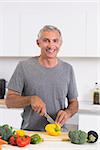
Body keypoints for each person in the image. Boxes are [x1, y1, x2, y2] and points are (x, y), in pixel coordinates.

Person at [6, 25, 78, 131]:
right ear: (38, 42)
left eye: (55, 41)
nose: (51, 45)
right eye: (46, 40)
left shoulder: (68, 69)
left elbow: (74, 103)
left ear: (60, 43)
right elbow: (9, 102)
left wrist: (68, 112)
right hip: (30, 135)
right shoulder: (24, 67)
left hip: (58, 134)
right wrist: (30, 99)